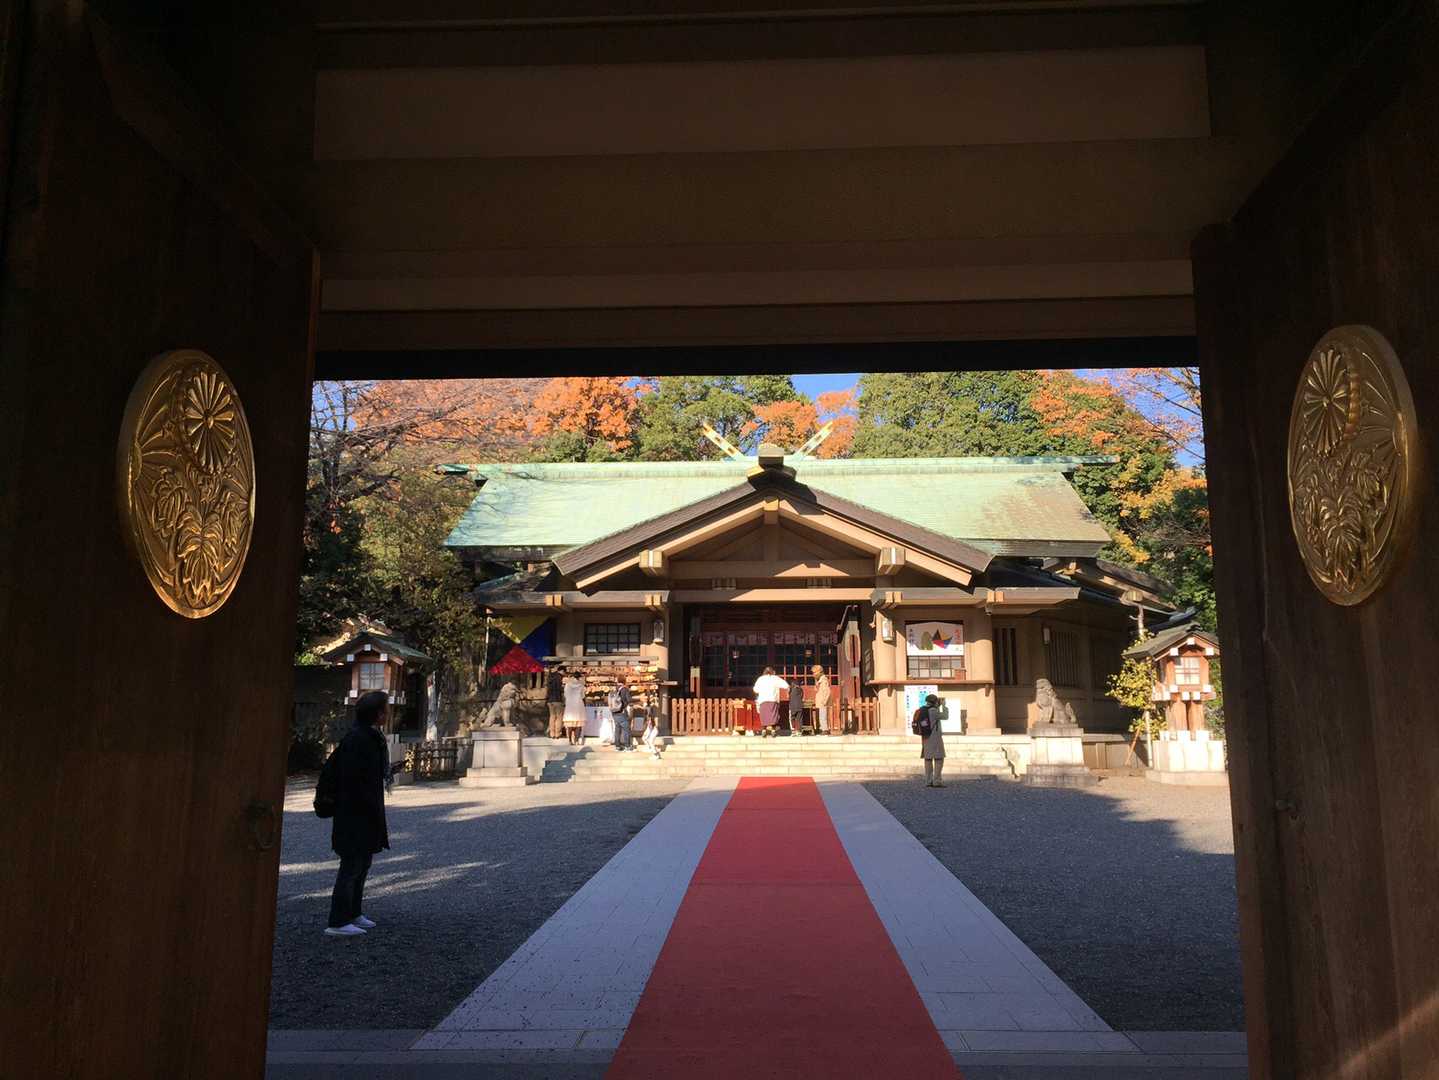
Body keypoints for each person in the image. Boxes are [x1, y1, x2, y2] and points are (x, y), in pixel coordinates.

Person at [319, 690, 390, 937]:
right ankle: (338, 920)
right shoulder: (358, 739)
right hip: (354, 812)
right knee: (351, 866)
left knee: (362, 864)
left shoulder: (368, 736)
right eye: (385, 710)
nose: (387, 714)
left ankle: (353, 913)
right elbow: (351, 779)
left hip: (364, 811)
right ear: (378, 714)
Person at [919, 693, 948, 787]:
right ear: (934, 702)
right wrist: (944, 706)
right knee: (939, 758)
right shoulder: (933, 711)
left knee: (928, 759)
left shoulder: (922, 710)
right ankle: (937, 781)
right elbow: (945, 716)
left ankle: (928, 781)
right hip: (935, 738)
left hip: (925, 738)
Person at [753, 667, 789, 738]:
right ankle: (773, 730)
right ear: (772, 672)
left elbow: (755, 689)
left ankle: (764, 730)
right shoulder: (775, 678)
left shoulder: (760, 679)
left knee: (764, 716)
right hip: (773, 699)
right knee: (773, 715)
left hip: (763, 700)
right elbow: (785, 685)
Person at [608, 675, 633, 751]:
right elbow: (629, 700)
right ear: (624, 681)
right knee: (626, 729)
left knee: (617, 729)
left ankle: (617, 746)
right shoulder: (625, 689)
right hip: (622, 712)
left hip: (614, 712)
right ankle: (627, 746)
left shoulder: (614, 689)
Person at [562, 673, 586, 745]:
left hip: (570, 705)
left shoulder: (567, 685)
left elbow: (565, 694)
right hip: (578, 704)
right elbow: (583, 696)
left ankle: (570, 740)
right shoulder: (581, 685)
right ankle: (576, 740)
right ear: (579, 677)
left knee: (570, 724)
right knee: (578, 724)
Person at [812, 665, 832, 734]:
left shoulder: (824, 680)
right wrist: (816, 684)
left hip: (823, 701)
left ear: (819, 672)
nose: (813, 674)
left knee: (823, 716)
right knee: (821, 715)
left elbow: (827, 691)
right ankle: (823, 728)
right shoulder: (819, 680)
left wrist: (825, 700)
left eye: (814, 672)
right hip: (821, 701)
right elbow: (816, 690)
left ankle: (825, 729)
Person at [546, 669, 565, 739]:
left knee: (552, 716)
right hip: (557, 699)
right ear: (562, 671)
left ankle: (552, 733)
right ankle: (557, 733)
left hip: (550, 700)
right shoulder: (559, 677)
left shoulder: (550, 677)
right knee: (559, 717)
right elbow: (560, 689)